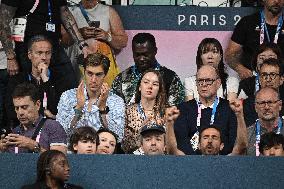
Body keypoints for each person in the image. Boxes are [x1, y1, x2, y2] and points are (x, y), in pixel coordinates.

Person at [0, 0, 90, 87]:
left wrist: (82, 44)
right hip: (29, 51)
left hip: (54, 47)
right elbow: (3, 23)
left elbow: (64, 12)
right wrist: (10, 57)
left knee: (70, 86)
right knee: (34, 91)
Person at [5, 35, 74, 129]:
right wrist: (42, 113)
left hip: (52, 128)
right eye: (39, 53)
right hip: (25, 129)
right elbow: (11, 111)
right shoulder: (17, 80)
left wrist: (46, 80)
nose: (44, 57)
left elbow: (57, 109)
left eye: (48, 53)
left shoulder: (61, 79)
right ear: (30, 55)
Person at [56, 52, 125, 141]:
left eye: (98, 74)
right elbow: (60, 134)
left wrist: (102, 111)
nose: (93, 80)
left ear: (105, 74)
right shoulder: (68, 96)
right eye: (89, 73)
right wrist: (78, 108)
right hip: (73, 152)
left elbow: (118, 137)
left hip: (101, 153)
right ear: (84, 72)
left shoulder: (116, 101)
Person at [173, 65, 237, 155]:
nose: (204, 84)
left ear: (218, 83)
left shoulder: (230, 108)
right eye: (200, 81)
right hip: (190, 163)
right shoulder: (183, 109)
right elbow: (181, 141)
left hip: (222, 162)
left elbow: (234, 142)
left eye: (208, 80)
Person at [63, 0, 128, 85]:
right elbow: (63, 41)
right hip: (76, 69)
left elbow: (122, 42)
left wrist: (107, 36)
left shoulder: (108, 11)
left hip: (103, 72)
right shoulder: (69, 12)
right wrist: (79, 33)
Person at [111, 32, 184, 106]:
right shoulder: (121, 79)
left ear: (155, 51)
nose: (141, 59)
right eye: (137, 55)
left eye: (145, 54)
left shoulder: (170, 78)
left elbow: (176, 111)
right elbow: (114, 110)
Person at [0, 83, 67, 153]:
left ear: (37, 105)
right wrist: (2, 151)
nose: (20, 113)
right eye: (17, 108)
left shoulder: (53, 127)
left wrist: (34, 146)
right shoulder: (14, 133)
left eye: (24, 107)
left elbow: (60, 160)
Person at [225, 0, 284, 80]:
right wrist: (241, 69)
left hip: (280, 81)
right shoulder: (247, 22)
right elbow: (230, 54)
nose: (277, 1)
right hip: (252, 81)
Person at [165, 98, 247, 156]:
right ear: (199, 145)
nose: (210, 141)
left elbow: (242, 146)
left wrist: (239, 115)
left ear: (222, 145)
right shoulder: (190, 163)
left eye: (214, 137)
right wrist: (169, 123)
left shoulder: (227, 161)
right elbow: (172, 150)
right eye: (205, 137)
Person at [122, 69, 167, 153]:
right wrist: (140, 132)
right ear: (139, 87)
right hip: (134, 160)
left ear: (159, 90)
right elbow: (124, 147)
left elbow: (171, 147)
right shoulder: (127, 111)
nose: (150, 86)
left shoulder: (165, 113)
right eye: (146, 82)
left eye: (155, 84)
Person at [185, 38, 239, 102]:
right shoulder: (190, 81)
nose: (210, 56)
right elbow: (189, 109)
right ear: (200, 57)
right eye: (205, 52)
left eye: (214, 52)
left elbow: (229, 109)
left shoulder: (231, 81)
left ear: (220, 57)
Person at [242, 58, 284, 126]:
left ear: (281, 79)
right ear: (259, 80)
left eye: (272, 75)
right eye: (264, 75)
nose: (268, 79)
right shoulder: (248, 105)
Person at [246, 87, 284, 156]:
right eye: (262, 103)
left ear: (280, 105)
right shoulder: (246, 134)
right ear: (255, 107)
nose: (266, 107)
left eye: (270, 102)